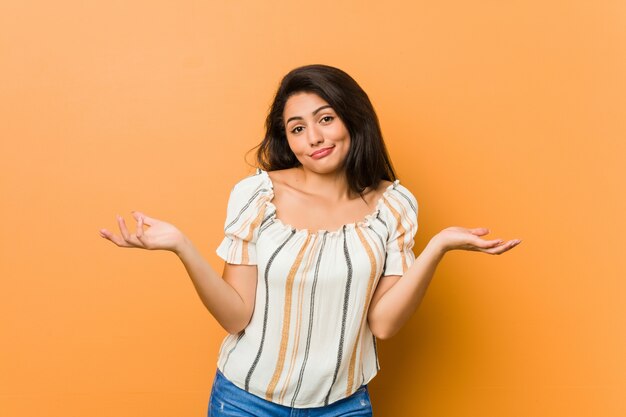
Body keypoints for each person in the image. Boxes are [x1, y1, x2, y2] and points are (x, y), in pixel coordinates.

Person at [99, 64, 521, 416]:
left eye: (325, 119)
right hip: (246, 402)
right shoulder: (257, 194)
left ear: (352, 119)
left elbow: (384, 324)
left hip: (343, 405)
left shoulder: (395, 205)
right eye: (297, 128)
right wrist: (181, 246)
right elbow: (235, 317)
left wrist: (437, 248)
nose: (314, 138)